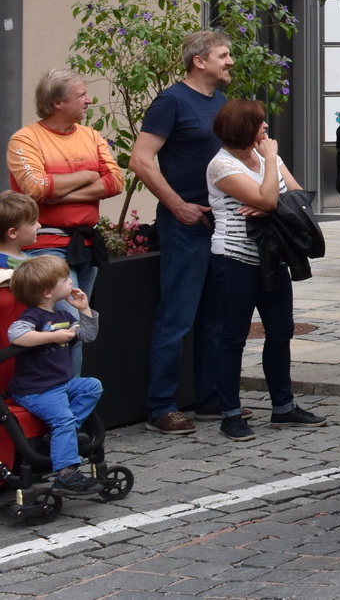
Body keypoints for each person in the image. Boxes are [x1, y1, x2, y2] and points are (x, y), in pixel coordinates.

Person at [130, 31, 232, 436]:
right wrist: (177, 205)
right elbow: (141, 160)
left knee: (216, 319)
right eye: (223, 55)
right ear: (199, 61)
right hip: (185, 225)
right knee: (176, 318)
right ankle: (162, 407)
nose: (230, 62)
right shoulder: (171, 101)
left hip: (220, 224)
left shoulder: (221, 103)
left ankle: (208, 399)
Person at [206, 99, 325, 439]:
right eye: (260, 123)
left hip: (273, 258)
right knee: (233, 337)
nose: (266, 128)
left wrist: (268, 202)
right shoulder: (221, 166)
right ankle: (230, 413)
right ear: (244, 128)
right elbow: (272, 199)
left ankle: (283, 407)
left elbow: (299, 196)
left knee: (281, 331)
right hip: (234, 260)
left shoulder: (264, 158)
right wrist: (270, 182)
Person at [7, 69, 121, 370]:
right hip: (47, 247)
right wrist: (87, 174)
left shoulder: (91, 135)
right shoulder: (25, 139)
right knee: (64, 325)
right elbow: (35, 188)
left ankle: (68, 400)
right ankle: (64, 404)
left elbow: (115, 181)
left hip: (85, 244)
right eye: (81, 94)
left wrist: (57, 191)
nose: (89, 100)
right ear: (57, 102)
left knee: (77, 325)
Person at [6, 255, 103, 498]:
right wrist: (52, 337)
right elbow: (16, 336)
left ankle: (59, 438)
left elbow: (88, 336)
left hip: (61, 384)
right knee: (64, 420)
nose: (70, 280)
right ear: (49, 292)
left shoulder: (64, 317)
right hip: (36, 389)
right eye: (64, 279)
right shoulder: (33, 317)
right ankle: (66, 475)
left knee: (92, 386)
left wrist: (84, 309)